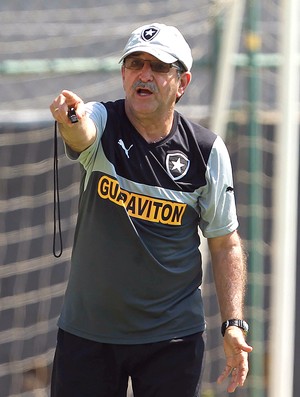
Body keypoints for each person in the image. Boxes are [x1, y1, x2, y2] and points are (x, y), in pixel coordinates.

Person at [50, 22, 252, 397]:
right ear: (124, 73)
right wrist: (70, 119)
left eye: (158, 67)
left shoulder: (206, 150)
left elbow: (225, 244)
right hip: (88, 334)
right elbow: (82, 133)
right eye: (135, 63)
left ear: (183, 83)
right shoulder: (102, 120)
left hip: (171, 341)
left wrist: (233, 324)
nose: (144, 75)